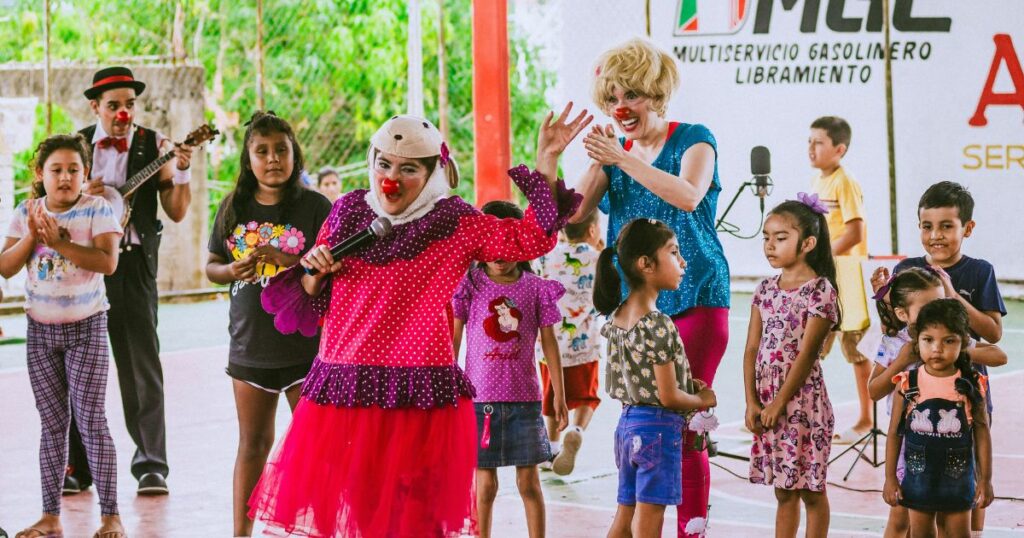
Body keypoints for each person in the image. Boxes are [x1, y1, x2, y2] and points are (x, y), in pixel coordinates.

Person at [246, 114, 584, 537]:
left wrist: (547, 159)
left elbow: (530, 239)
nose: (390, 178)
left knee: (414, 520)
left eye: (408, 168)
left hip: (417, 394)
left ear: (431, 174)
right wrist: (313, 270)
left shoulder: (455, 222)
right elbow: (312, 292)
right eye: (383, 164)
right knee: (361, 516)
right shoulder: (349, 209)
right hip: (346, 390)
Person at [540, 38, 730, 536]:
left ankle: (691, 530)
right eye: (611, 99)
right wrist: (551, 156)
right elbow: (568, 215)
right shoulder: (613, 155)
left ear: (656, 93)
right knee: (640, 429)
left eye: (632, 96)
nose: (621, 108)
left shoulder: (694, 138)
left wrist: (621, 160)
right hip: (637, 311)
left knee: (684, 428)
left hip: (697, 299)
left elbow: (688, 196)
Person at [65, 66, 197, 496]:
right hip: (85, 267)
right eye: (115, 106)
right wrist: (86, 190)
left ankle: (151, 466)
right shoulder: (77, 147)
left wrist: (180, 170)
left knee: (142, 365)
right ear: (95, 107)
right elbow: (53, 202)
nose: (124, 113)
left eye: (130, 104)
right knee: (78, 367)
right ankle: (77, 468)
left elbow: (176, 211)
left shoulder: (153, 144)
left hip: (134, 263)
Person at [204, 112, 331, 537]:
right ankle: (241, 533)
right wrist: (231, 271)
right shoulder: (232, 207)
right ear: (248, 159)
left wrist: (290, 262)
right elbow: (211, 266)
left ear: (295, 154)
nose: (273, 159)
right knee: (253, 446)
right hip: (250, 348)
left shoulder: (315, 207)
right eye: (262, 151)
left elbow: (334, 267)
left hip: (307, 350)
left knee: (316, 449)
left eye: (281, 150)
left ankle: (321, 529)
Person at [2, 134, 125, 538]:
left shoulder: (97, 210)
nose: (66, 177)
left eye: (74, 169)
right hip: (40, 331)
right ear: (41, 174)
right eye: (56, 170)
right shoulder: (26, 212)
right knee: (52, 425)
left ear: (85, 173)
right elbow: (5, 267)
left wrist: (59, 243)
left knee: (91, 419)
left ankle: (111, 516)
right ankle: (50, 515)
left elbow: (107, 262)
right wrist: (33, 237)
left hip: (86, 327)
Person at [884, 181, 1006, 535]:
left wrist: (953, 296)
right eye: (927, 226)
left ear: (967, 228)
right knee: (917, 475)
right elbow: (893, 327)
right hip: (918, 393)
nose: (935, 235)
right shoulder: (907, 267)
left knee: (968, 476)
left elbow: (994, 334)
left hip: (965, 390)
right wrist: (883, 298)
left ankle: (975, 531)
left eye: (946, 226)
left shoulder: (979, 271)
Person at [451, 200, 569, 538]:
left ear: (525, 243)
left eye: (510, 241)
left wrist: (558, 395)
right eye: (491, 241)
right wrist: (447, 383)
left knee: (529, 483)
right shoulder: (470, 284)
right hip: (478, 402)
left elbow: (549, 344)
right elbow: (454, 338)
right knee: (484, 486)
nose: (500, 251)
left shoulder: (535, 288)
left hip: (526, 403)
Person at [593, 218, 717, 538]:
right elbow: (669, 397)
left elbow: (643, 377)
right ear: (646, 264)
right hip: (657, 430)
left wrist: (686, 384)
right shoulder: (658, 322)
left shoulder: (618, 316)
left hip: (627, 426)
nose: (682, 262)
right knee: (649, 521)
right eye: (674, 252)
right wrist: (703, 399)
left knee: (624, 517)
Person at [866, 267, 1006, 538]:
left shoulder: (950, 337)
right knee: (901, 518)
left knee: (950, 519)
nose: (937, 312)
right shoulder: (895, 343)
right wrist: (903, 360)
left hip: (952, 444)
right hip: (911, 443)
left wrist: (956, 346)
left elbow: (1000, 355)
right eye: (929, 306)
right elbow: (874, 390)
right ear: (903, 314)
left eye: (942, 303)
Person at [744, 195, 839, 538]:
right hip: (768, 400)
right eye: (766, 237)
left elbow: (807, 356)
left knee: (811, 488)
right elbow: (751, 348)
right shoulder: (765, 289)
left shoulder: (820, 291)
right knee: (783, 490)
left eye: (780, 238)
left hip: (802, 404)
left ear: (808, 243)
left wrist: (779, 402)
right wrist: (752, 401)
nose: (770, 245)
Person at [807, 116, 873, 444]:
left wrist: (824, 256)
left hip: (847, 277)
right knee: (812, 346)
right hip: (825, 278)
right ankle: (803, 414)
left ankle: (865, 420)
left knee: (856, 349)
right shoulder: (818, 181)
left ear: (839, 148)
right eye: (809, 141)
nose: (811, 148)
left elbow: (855, 230)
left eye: (818, 142)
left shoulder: (844, 182)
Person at [534, 209, 603, 475]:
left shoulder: (547, 258)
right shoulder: (598, 259)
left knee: (551, 394)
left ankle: (551, 449)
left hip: (549, 343)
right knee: (586, 395)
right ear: (593, 230)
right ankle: (576, 430)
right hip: (584, 344)